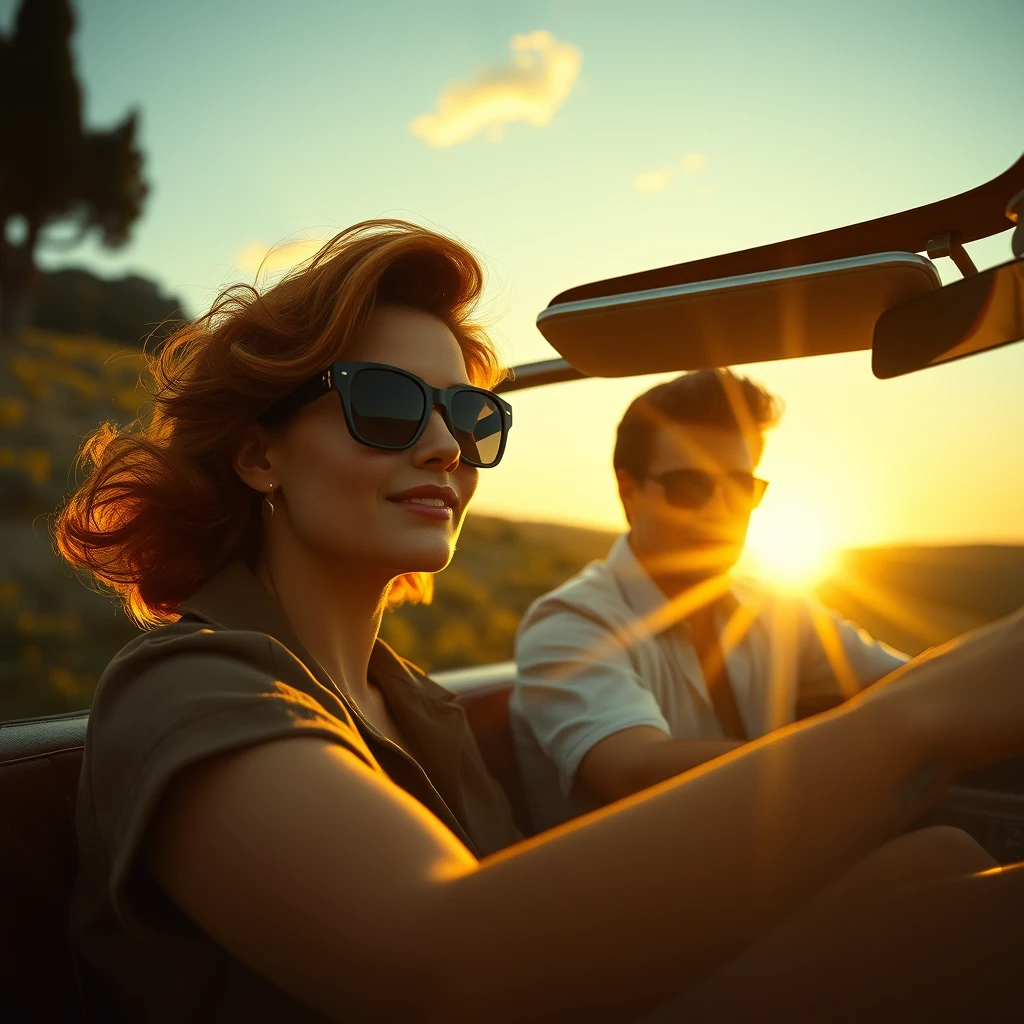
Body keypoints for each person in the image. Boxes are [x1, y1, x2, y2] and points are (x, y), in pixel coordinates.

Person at [55, 219, 1024, 1023]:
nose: (446, 447)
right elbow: (443, 964)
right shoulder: (189, 683)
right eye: (387, 405)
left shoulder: (412, 706)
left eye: (470, 414)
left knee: (937, 861)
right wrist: (914, 718)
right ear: (261, 457)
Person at [511, 369, 908, 831]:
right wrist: (851, 750)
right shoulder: (569, 623)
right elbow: (635, 766)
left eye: (741, 487)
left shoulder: (776, 609)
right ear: (628, 491)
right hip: (630, 894)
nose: (720, 512)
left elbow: (904, 677)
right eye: (689, 486)